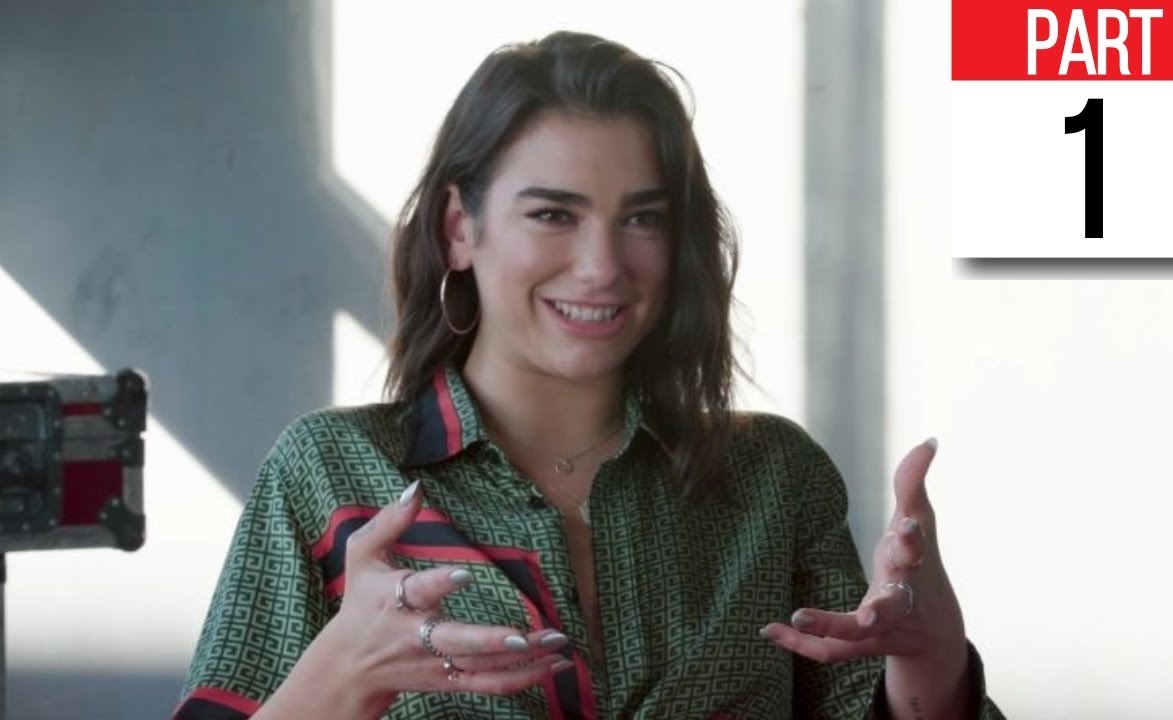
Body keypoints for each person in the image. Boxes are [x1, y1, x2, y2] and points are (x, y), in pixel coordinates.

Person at [174, 31, 1004, 720]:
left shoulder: (772, 480)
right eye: (552, 214)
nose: (602, 265)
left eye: (642, 218)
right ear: (459, 228)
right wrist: (339, 681)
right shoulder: (327, 475)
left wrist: (933, 661)